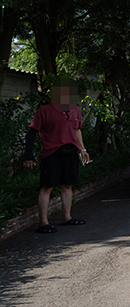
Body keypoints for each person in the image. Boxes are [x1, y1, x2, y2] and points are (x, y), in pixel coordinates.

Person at [22, 79, 91, 234]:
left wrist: (82, 149)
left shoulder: (75, 110)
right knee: (47, 187)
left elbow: (77, 130)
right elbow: (32, 132)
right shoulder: (44, 111)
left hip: (71, 153)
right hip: (51, 153)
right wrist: (28, 156)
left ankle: (67, 218)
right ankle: (43, 223)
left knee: (68, 186)